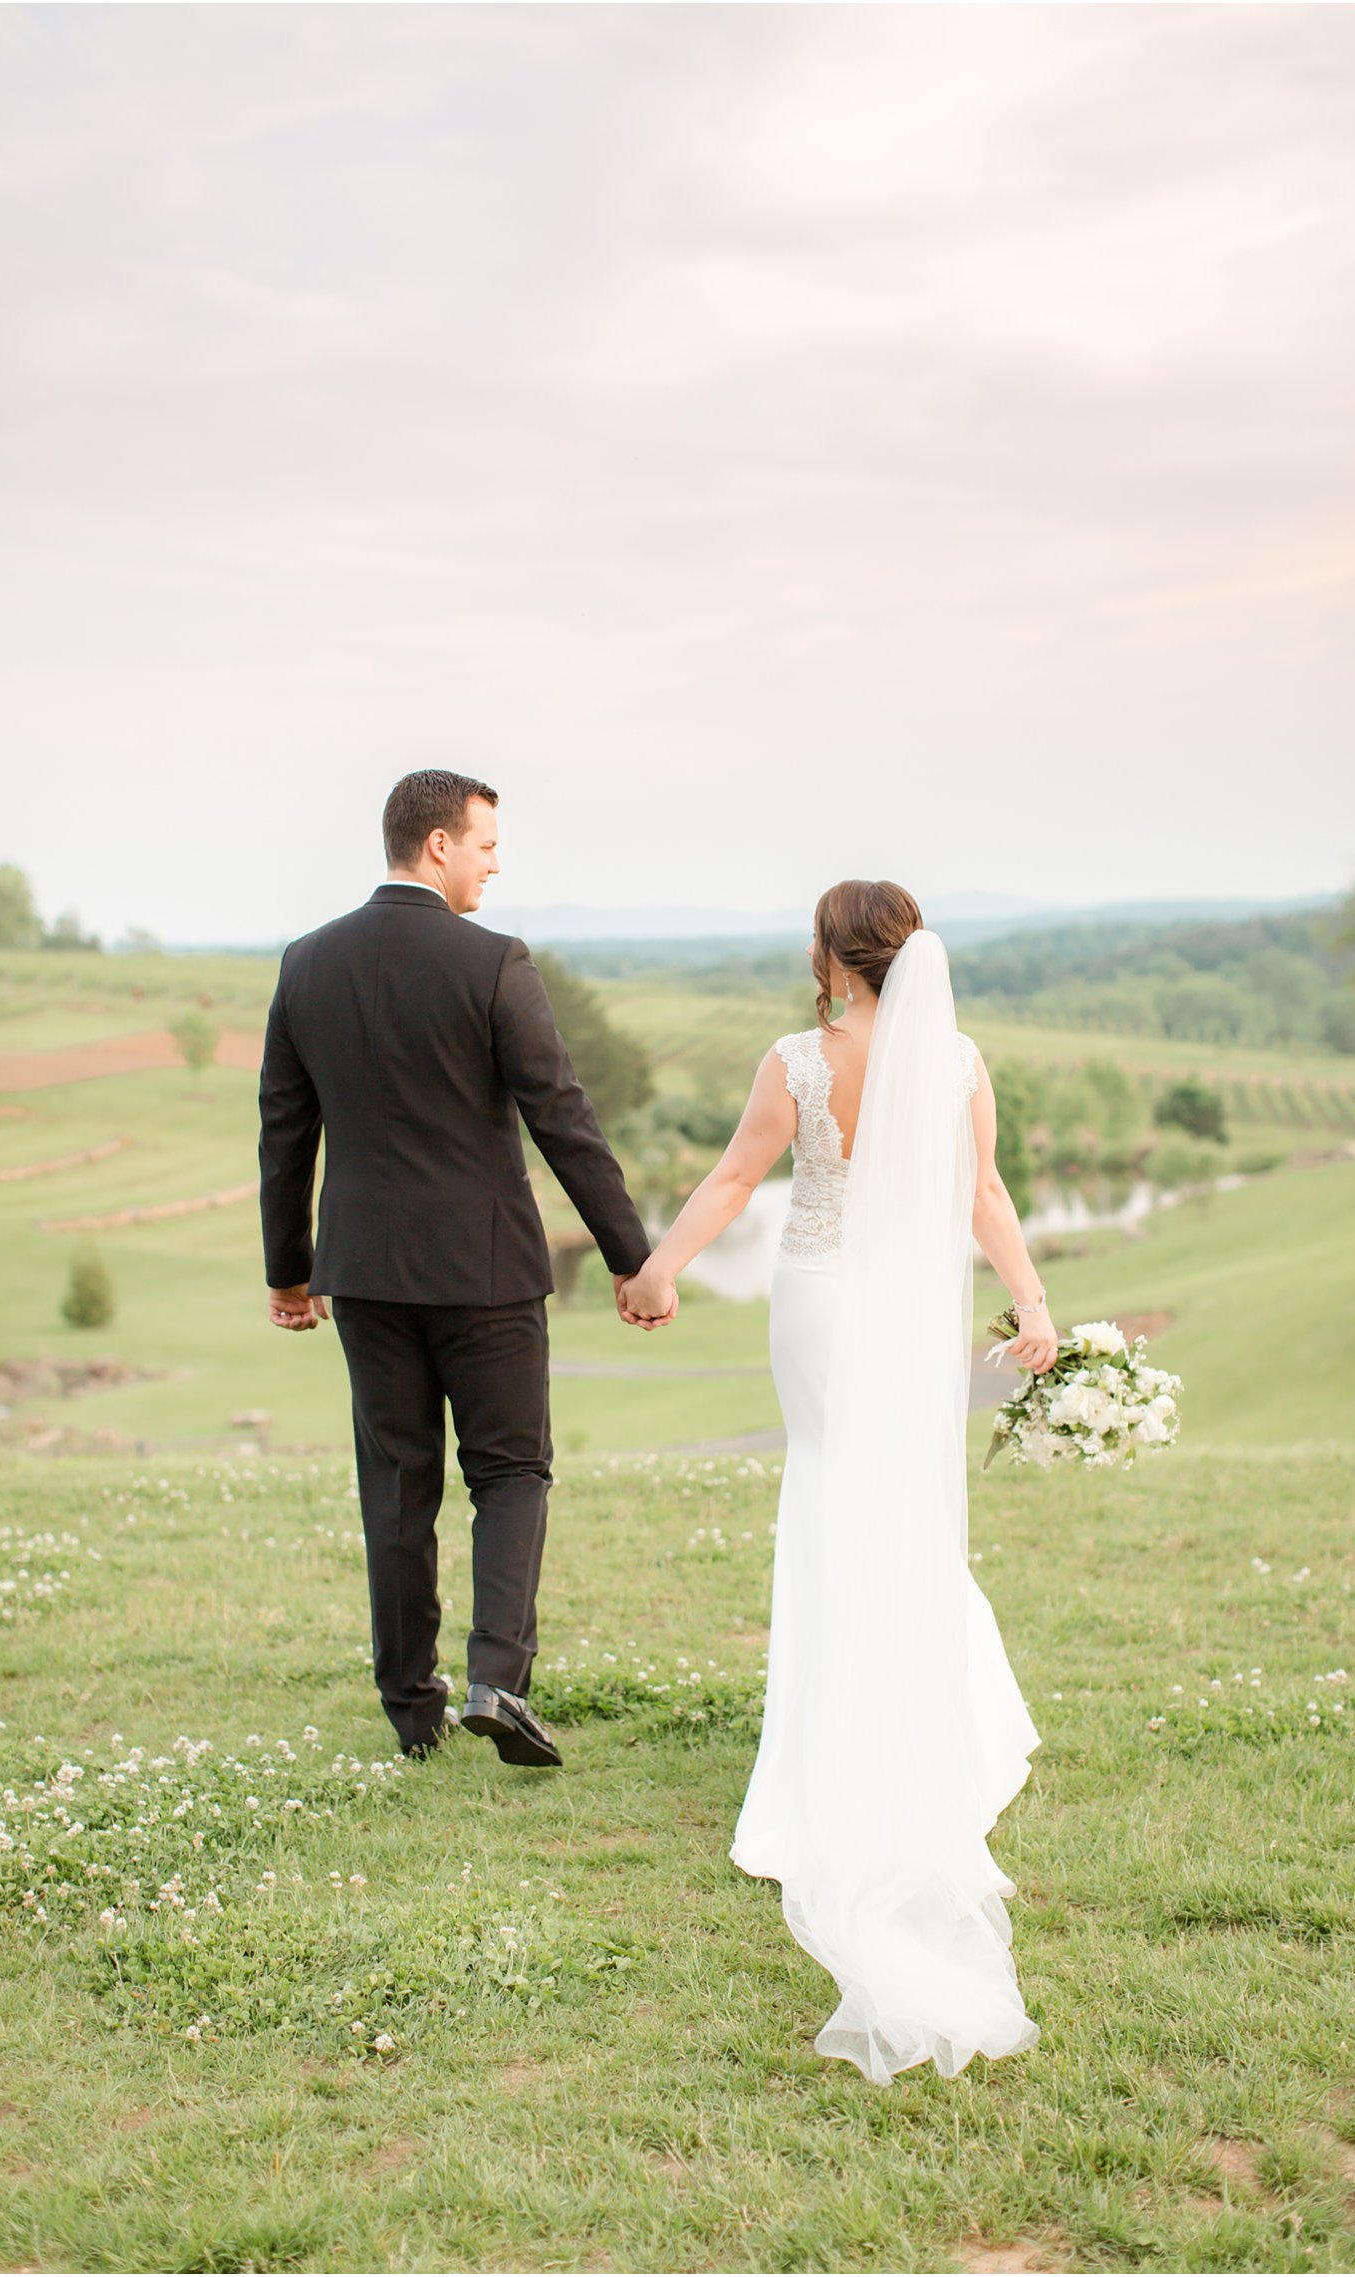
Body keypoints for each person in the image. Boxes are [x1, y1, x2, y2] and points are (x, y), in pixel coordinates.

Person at [619, 879, 1057, 2083]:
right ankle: (931, 1735)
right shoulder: (956, 1059)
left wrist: (655, 1272)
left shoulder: (794, 1062)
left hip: (817, 1303)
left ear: (829, 956)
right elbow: (981, 1196)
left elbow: (729, 1183)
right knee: (900, 1509)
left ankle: (826, 1763)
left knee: (826, 1497)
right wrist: (1030, 1303)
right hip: (912, 1316)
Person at [258, 769, 668, 1768]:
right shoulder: (493, 963)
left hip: (361, 1271)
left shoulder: (306, 963)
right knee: (510, 1469)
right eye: (485, 843)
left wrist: (290, 1270)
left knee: (396, 1483)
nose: (495, 861)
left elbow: (284, 1129)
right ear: (436, 844)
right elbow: (559, 1115)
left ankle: (410, 1706)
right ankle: (494, 1679)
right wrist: (631, 1257)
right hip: (483, 1268)